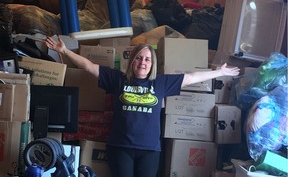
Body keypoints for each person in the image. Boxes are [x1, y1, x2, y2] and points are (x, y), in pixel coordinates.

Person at [44, 36, 240, 177]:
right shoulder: (117, 80)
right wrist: (65, 51)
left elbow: (192, 77)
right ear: (132, 61)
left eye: (147, 59)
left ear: (152, 63)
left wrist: (219, 72)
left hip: (150, 150)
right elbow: (89, 66)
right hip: (121, 148)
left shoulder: (160, 83)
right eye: (139, 58)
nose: (143, 62)